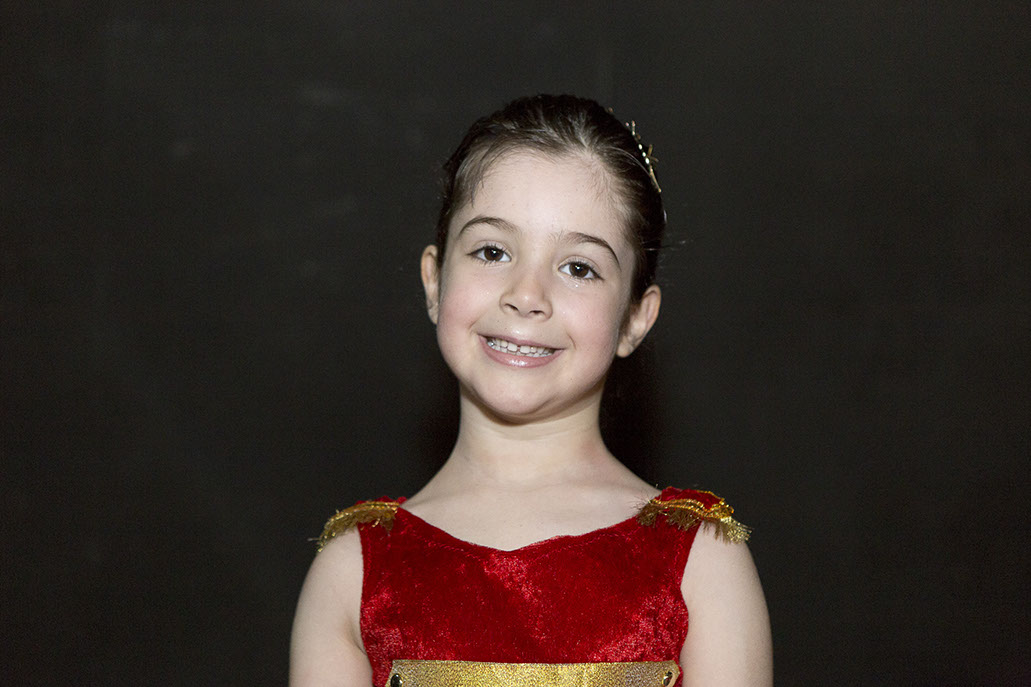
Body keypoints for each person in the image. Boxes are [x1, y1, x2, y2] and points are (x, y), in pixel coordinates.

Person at [290, 94, 773, 687]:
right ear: (435, 281)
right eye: (492, 252)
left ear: (635, 318)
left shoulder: (701, 561)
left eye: (579, 267)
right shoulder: (353, 571)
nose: (526, 295)